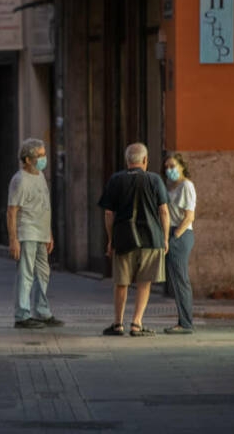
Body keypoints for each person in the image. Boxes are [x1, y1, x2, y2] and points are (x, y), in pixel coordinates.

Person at [98, 142, 169, 337]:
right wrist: (165, 238)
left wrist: (111, 239)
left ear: (127, 160)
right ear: (145, 160)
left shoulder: (116, 180)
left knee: (121, 282)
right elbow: (163, 211)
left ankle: (118, 323)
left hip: (123, 238)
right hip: (151, 238)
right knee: (144, 281)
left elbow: (108, 213)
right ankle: (137, 324)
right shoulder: (155, 180)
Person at [7, 138, 64, 329]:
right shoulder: (19, 180)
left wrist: (49, 234)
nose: (43, 158)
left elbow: (44, 207)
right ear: (28, 158)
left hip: (41, 233)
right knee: (26, 274)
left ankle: (42, 311)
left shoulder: (39, 175)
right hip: (27, 232)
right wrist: (13, 239)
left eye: (43, 154)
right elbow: (12, 211)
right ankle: (22, 315)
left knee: (43, 273)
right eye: (39, 155)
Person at [162, 152, 196, 334]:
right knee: (175, 280)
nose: (169, 170)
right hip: (172, 233)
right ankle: (183, 320)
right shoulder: (170, 186)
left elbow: (189, 215)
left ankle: (186, 323)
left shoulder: (186, 186)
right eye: (166, 167)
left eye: (172, 166)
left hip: (181, 234)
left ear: (182, 166)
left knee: (181, 279)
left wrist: (174, 236)